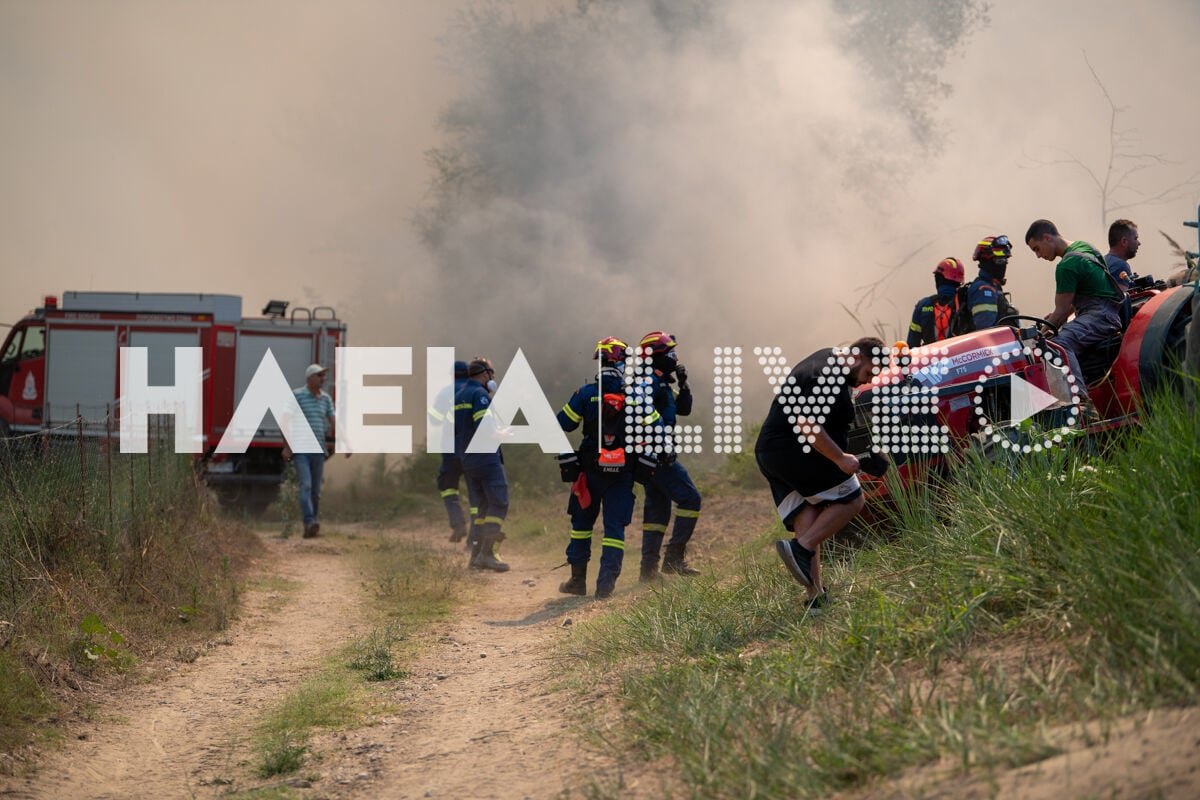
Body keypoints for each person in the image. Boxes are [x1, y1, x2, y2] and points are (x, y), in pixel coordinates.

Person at [755, 338, 883, 609]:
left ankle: (815, 597)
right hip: (791, 450)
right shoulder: (827, 374)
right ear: (857, 357)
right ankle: (802, 548)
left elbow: (830, 423)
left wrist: (860, 457)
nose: (866, 381)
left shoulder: (830, 365)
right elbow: (808, 425)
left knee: (808, 515)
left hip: (772, 451)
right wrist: (839, 458)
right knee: (853, 498)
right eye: (869, 373)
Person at [556, 337, 648, 599]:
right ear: (622, 363)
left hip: (590, 472)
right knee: (614, 530)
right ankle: (605, 588)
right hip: (622, 474)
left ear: (600, 362)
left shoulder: (585, 393)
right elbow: (650, 431)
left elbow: (563, 423)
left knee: (582, 524)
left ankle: (577, 581)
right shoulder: (635, 395)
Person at [1024, 219, 1124, 396]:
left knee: (1057, 345)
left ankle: (1080, 401)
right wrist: (1054, 318)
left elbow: (1061, 313)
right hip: (1109, 314)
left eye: (1037, 249)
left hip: (1098, 318)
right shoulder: (1085, 248)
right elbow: (1091, 292)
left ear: (1047, 237)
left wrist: (1039, 336)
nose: (1038, 256)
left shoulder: (1066, 266)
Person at [634, 331, 703, 581]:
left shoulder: (661, 383)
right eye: (670, 353)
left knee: (657, 511)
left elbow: (682, 409)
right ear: (655, 357)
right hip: (656, 456)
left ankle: (648, 570)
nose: (675, 357)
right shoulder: (647, 383)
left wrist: (683, 385)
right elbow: (644, 417)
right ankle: (674, 559)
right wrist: (662, 444)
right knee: (690, 499)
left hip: (652, 456)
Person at [455, 358, 510, 572]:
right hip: (486, 458)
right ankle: (487, 553)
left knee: (483, 507)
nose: (492, 379)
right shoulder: (479, 395)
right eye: (492, 375)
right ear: (485, 374)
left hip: (468, 460)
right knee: (499, 503)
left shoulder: (459, 395)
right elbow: (484, 427)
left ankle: (475, 557)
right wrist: (502, 433)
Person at [282, 363, 335, 538]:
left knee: (315, 493)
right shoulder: (297, 396)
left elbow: (334, 421)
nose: (323, 378)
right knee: (306, 485)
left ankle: (310, 526)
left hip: (318, 451)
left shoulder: (326, 399)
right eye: (319, 375)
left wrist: (345, 441)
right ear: (309, 378)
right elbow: (285, 421)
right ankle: (310, 521)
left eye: (323, 376)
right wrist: (288, 446)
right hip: (301, 450)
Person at [428, 360, 474, 542]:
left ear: (452, 375)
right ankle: (475, 538)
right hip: (472, 450)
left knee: (448, 488)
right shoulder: (476, 392)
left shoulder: (445, 392)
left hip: (450, 449)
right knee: (475, 492)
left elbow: (434, 420)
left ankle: (458, 524)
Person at [953, 235, 1018, 334]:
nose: (1004, 264)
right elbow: (986, 333)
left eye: (1005, 260)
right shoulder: (983, 290)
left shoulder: (993, 288)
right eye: (1000, 260)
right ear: (985, 261)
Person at [906, 257, 965, 347]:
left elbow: (912, 344)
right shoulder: (964, 302)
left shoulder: (922, 306)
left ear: (938, 280)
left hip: (930, 359)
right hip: (960, 359)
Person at [1105, 218, 1141, 292]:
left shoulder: (1105, 260)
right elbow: (1122, 301)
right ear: (1124, 241)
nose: (1139, 243)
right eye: (1135, 238)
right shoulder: (1120, 265)